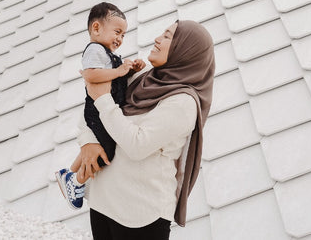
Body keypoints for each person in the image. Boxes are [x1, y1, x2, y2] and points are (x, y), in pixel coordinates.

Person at [78, 20, 215, 240]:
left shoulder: (183, 102)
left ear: (185, 50)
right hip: (103, 201)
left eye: (168, 36)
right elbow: (90, 106)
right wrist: (87, 141)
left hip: (141, 214)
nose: (158, 39)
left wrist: (103, 100)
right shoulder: (141, 78)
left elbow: (137, 145)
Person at [55, 2, 145, 209]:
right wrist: (119, 71)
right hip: (97, 110)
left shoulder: (106, 53)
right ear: (96, 28)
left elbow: (112, 77)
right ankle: (78, 181)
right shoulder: (95, 50)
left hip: (103, 109)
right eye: (117, 32)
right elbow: (91, 74)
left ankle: (70, 175)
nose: (120, 39)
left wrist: (130, 69)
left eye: (123, 35)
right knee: (106, 151)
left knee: (97, 144)